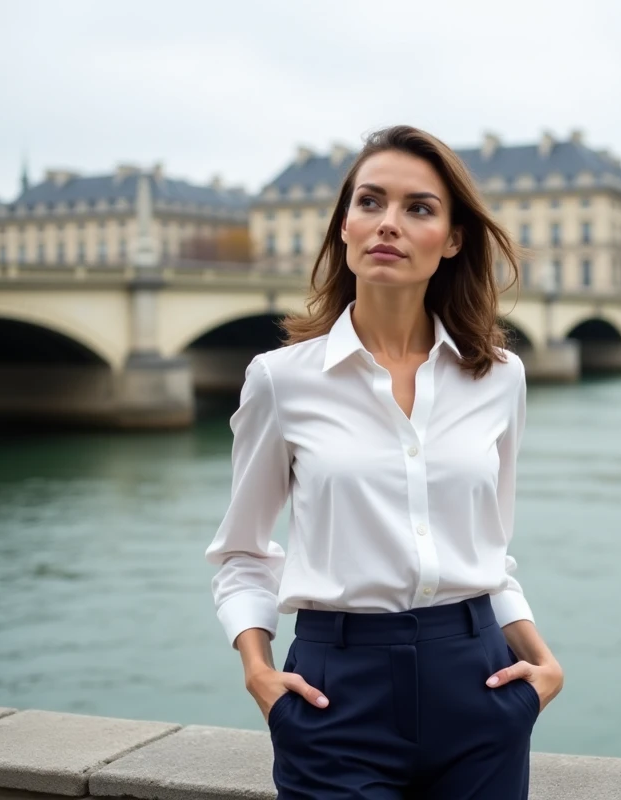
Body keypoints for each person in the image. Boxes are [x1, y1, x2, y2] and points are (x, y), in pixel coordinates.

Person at [205, 124, 563, 799]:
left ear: (453, 239)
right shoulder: (281, 380)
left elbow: (491, 549)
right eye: (370, 202)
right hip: (336, 695)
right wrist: (258, 670)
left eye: (418, 208)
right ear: (344, 225)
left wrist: (541, 660)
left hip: (479, 683)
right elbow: (242, 551)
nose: (387, 224)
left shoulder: (501, 378)